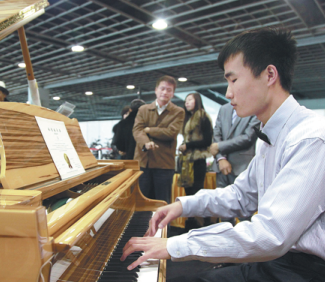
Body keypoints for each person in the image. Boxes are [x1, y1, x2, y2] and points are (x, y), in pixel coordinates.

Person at [121, 28, 325, 282]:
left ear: (270, 74)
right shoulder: (271, 132)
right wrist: (182, 205)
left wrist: (176, 245)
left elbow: (272, 234)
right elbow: (240, 196)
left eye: (233, 80)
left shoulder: (310, 139)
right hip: (279, 259)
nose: (228, 94)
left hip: (303, 269)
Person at [133, 75, 185, 204]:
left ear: (173, 93)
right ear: (156, 90)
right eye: (162, 89)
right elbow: (137, 130)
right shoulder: (143, 109)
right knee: (141, 203)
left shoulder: (178, 112)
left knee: (162, 203)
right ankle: (142, 225)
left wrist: (149, 130)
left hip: (164, 165)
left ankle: (162, 225)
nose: (165, 92)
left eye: (169, 90)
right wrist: (146, 143)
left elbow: (171, 133)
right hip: (143, 163)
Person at [209, 102, 259, 223]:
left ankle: (245, 242)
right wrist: (221, 159)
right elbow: (216, 134)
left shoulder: (254, 107)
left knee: (245, 214)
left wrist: (220, 147)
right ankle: (225, 241)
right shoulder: (224, 109)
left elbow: (248, 138)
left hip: (242, 166)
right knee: (223, 210)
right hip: (221, 168)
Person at [178, 93, 213, 229]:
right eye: (186, 100)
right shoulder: (187, 118)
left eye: (190, 100)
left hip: (198, 159)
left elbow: (207, 140)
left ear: (197, 101)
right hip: (187, 159)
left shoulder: (203, 116)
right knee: (188, 191)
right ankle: (190, 221)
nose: (187, 103)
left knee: (198, 191)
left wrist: (189, 145)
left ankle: (205, 222)